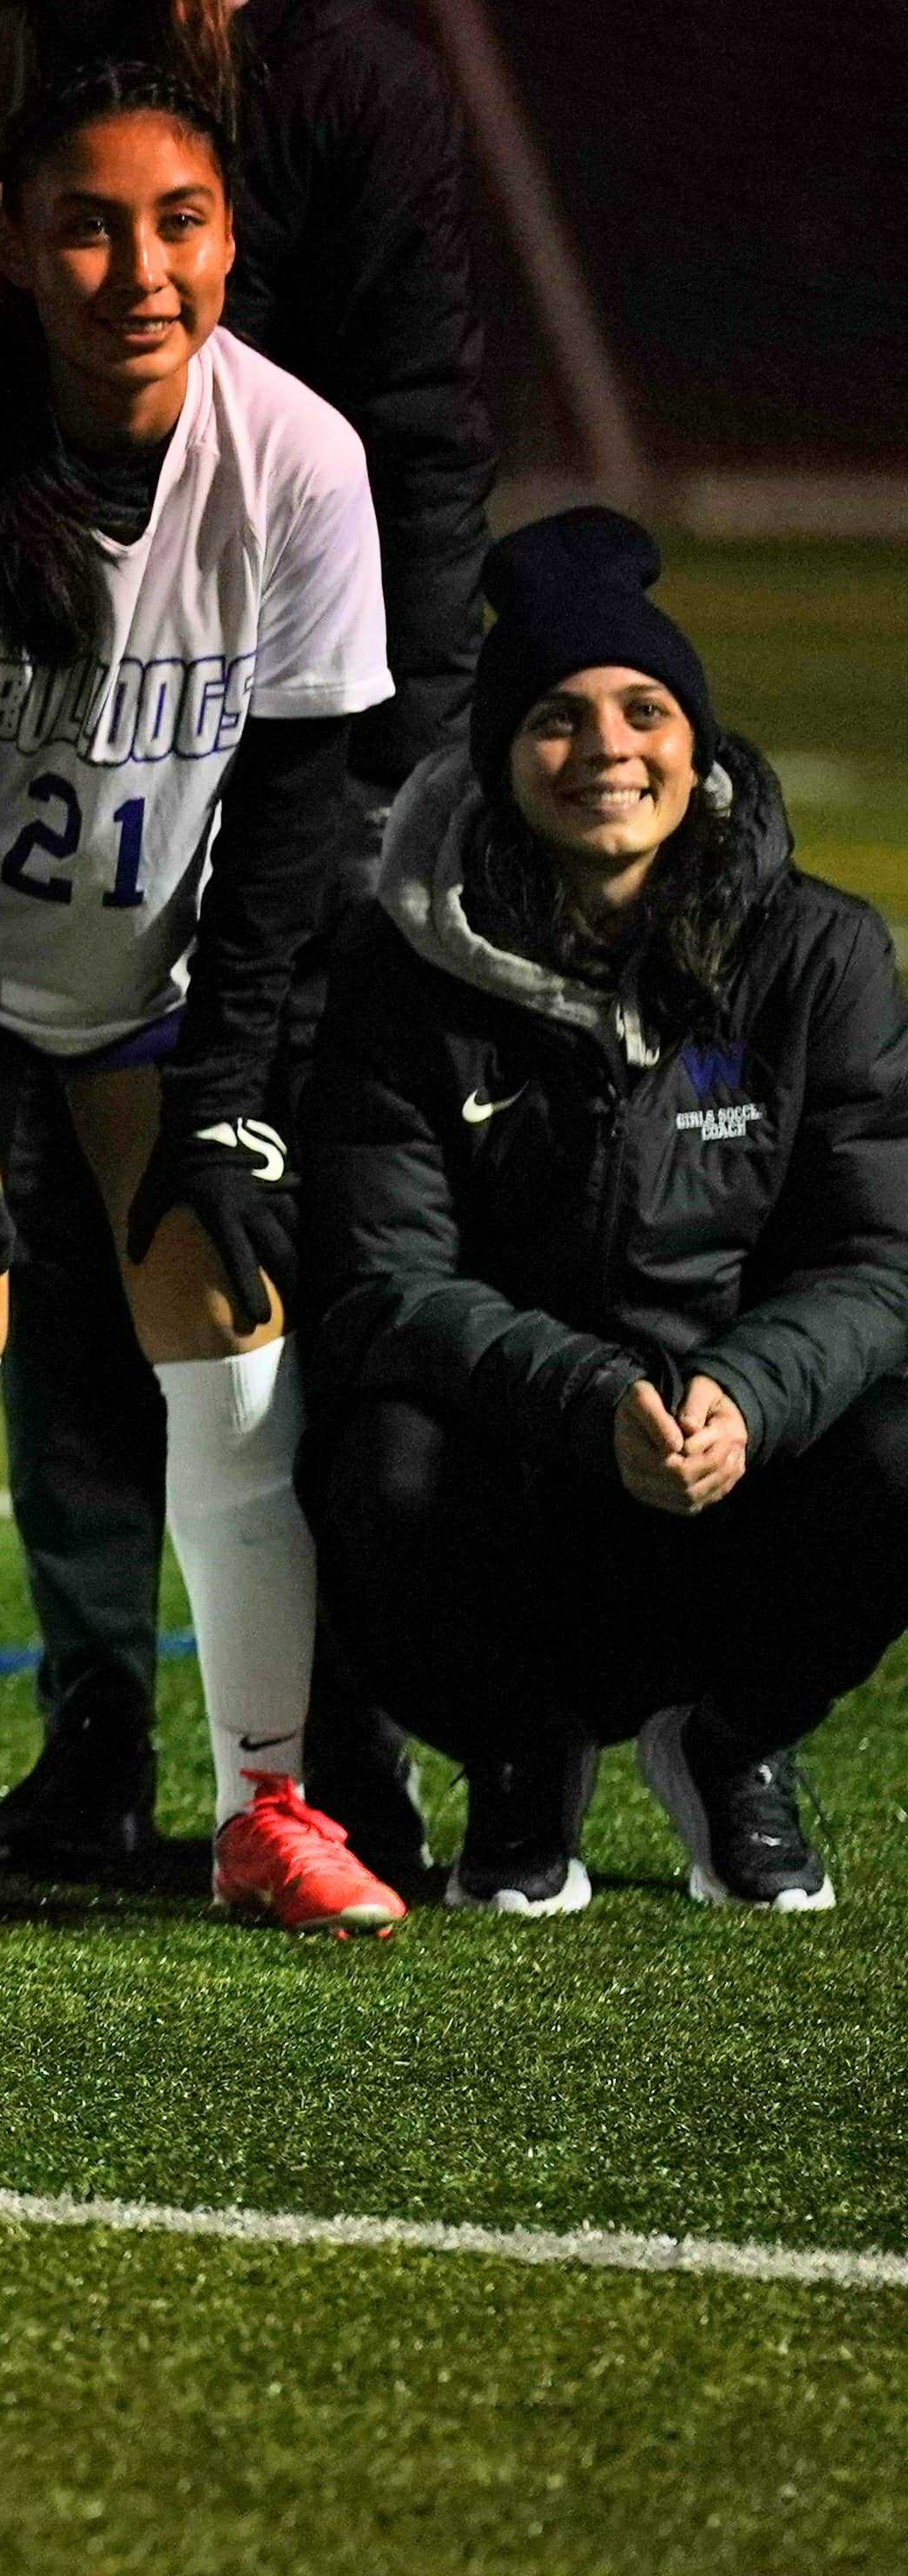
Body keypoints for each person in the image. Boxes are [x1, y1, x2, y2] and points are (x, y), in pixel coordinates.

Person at [0, 0, 493, 1875]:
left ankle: (327, 1755)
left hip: (270, 721)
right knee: (2, 1289)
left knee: (272, 1242)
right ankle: (82, 1730)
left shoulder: (338, 68)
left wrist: (401, 753)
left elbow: (412, 433)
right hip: (22, 652)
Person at [0, 68, 408, 1936]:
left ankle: (267, 1803)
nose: (135, 265)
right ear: (5, 233)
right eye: (86, 220)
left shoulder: (299, 456)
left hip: (163, 983)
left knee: (229, 1311)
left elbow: (302, 798)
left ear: (231, 238)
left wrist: (229, 1079)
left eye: (177, 221)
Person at [304, 512, 908, 1912]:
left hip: (729, 1482)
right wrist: (589, 1400)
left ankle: (733, 1745)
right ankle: (523, 1759)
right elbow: (383, 1277)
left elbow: (878, 1259)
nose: (608, 751)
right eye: (558, 722)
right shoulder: (404, 968)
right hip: (520, 1482)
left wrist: (745, 1398)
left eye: (646, 711)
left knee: (899, 1445)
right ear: (504, 758)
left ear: (698, 746)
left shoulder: (818, 953)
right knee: (371, 1456)